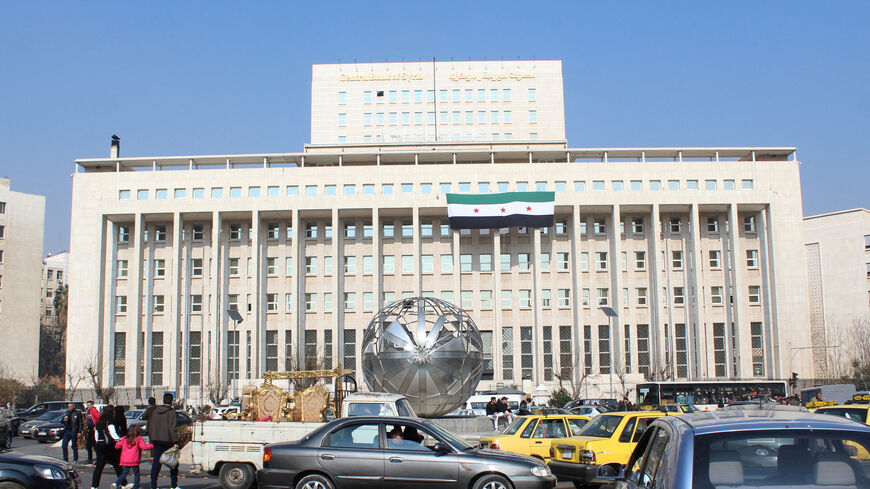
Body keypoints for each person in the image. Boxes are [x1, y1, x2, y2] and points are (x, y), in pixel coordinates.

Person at [148, 393, 179, 489]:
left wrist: (153, 438)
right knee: (173, 464)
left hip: (157, 440)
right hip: (168, 441)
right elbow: (172, 428)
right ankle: (173, 485)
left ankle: (153, 485)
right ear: (172, 401)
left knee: (156, 465)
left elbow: (151, 426)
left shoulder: (156, 411)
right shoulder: (171, 412)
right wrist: (175, 441)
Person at [91, 405, 124, 489]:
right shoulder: (110, 420)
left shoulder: (99, 420)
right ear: (112, 412)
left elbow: (96, 434)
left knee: (99, 467)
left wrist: (98, 442)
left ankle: (94, 486)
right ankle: (123, 484)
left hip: (100, 445)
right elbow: (112, 432)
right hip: (109, 446)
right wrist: (119, 440)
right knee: (117, 465)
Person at [114, 425, 152, 489]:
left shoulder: (124, 438)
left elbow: (117, 446)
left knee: (124, 473)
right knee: (136, 474)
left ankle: (116, 483)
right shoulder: (138, 438)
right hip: (134, 459)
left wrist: (118, 442)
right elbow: (144, 446)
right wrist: (153, 445)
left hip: (125, 459)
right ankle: (136, 486)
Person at [84, 400, 100, 465]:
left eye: (89, 405)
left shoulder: (94, 411)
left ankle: (98, 459)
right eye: (87, 405)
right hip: (89, 429)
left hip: (94, 429)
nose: (88, 407)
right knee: (88, 445)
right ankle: (90, 459)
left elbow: (99, 419)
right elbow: (87, 419)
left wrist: (96, 426)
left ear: (92, 405)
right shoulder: (87, 411)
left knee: (95, 445)